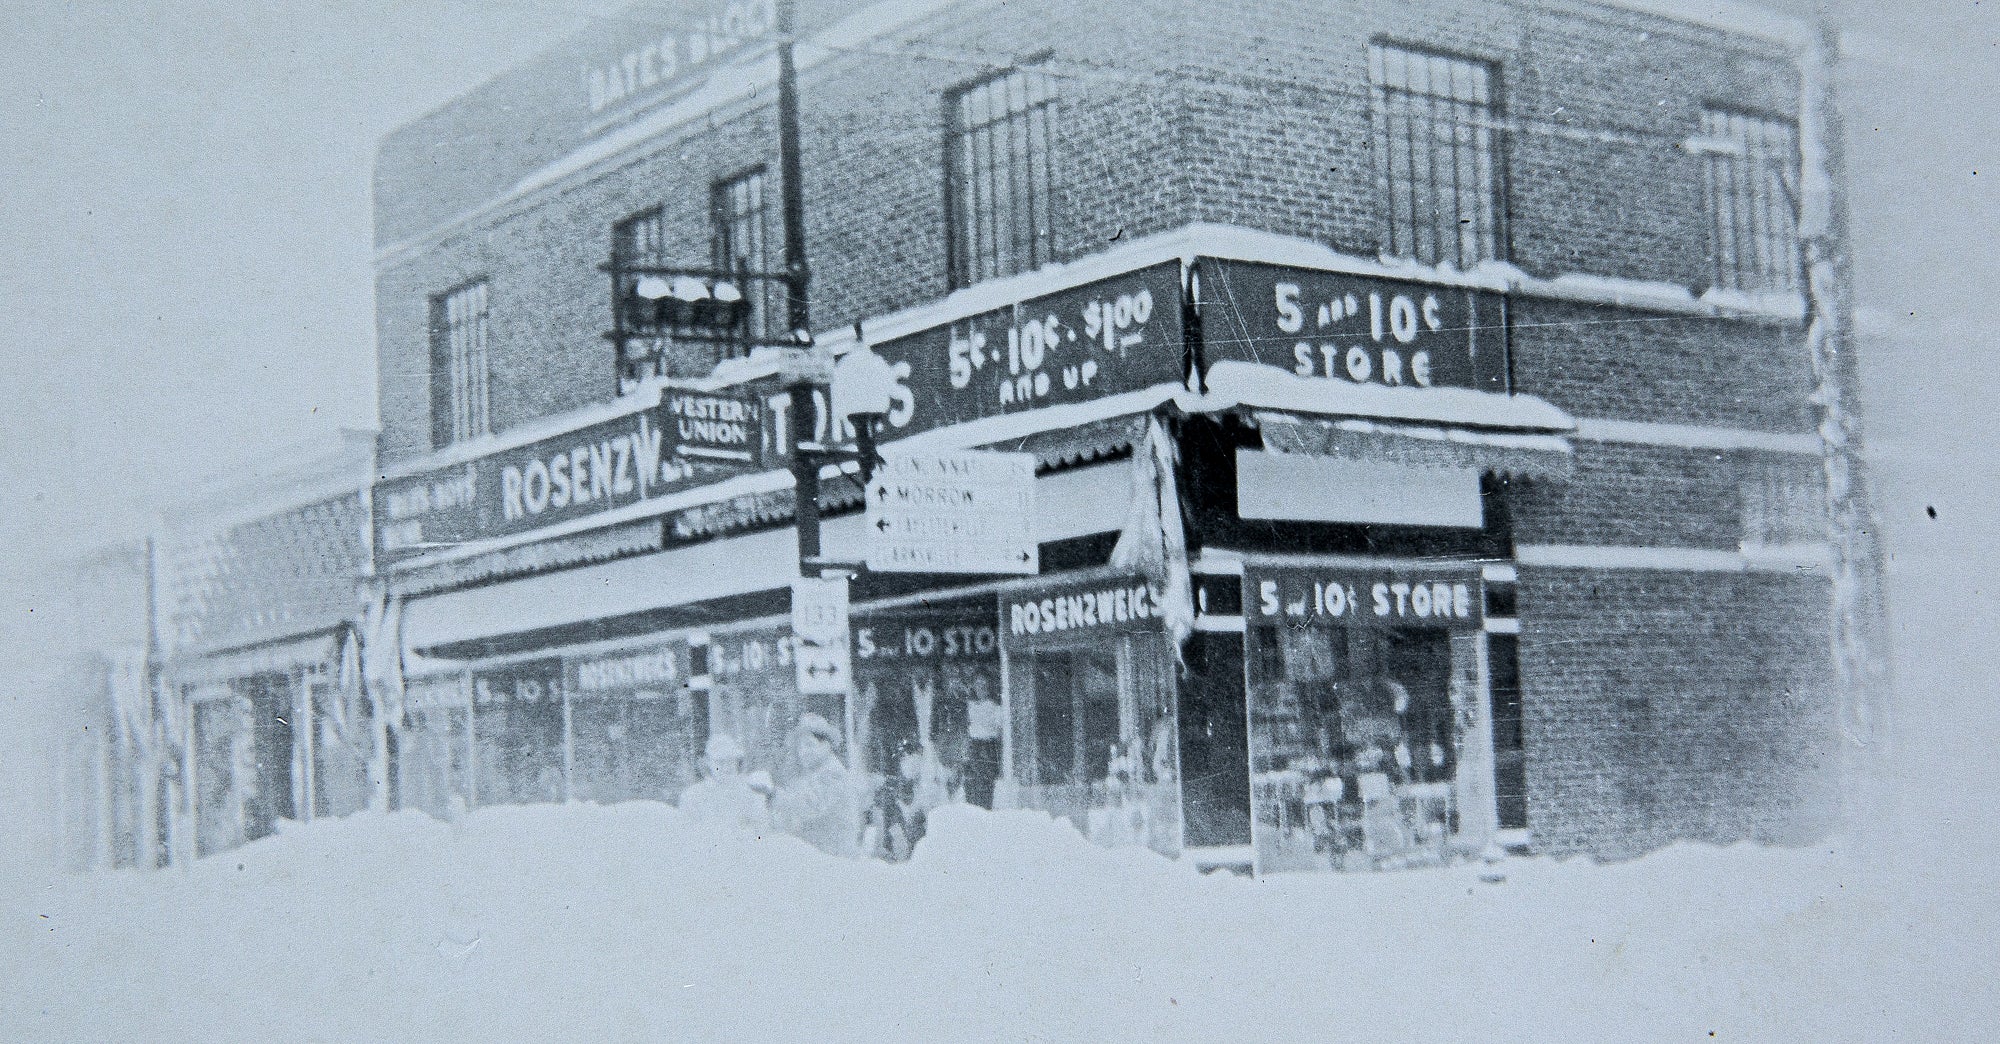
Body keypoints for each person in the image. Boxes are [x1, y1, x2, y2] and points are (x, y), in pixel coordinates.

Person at [773, 712, 864, 858]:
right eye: (800, 747)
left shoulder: (833, 774)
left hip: (834, 858)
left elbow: (810, 806)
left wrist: (775, 797)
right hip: (818, 854)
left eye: (810, 745)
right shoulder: (814, 774)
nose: (804, 752)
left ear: (827, 745)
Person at [677, 733, 770, 835]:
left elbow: (762, 830)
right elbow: (687, 832)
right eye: (720, 762)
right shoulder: (693, 795)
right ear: (709, 762)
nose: (726, 767)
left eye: (731, 761)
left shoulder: (748, 792)